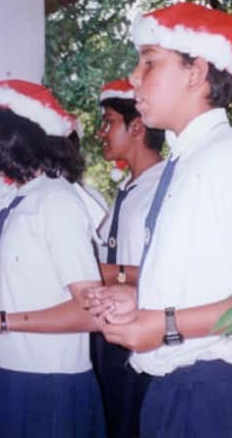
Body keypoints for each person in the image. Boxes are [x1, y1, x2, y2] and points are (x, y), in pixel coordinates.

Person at [85, 2, 232, 437]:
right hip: (177, 392)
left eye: (149, 62)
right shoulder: (185, 163)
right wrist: (141, 300)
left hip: (218, 397)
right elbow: (207, 280)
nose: (134, 77)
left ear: (196, 73)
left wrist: (166, 324)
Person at [0, 79, 106, 438]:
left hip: (46, 385)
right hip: (9, 375)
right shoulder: (23, 200)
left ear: (13, 137)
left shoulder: (55, 201)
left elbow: (91, 311)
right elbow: (22, 296)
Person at [92, 78, 165, 438]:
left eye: (109, 122)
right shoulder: (127, 191)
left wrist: (111, 273)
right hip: (110, 339)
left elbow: (167, 271)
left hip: (143, 340)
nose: (101, 133)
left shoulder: (165, 189)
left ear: (136, 127)